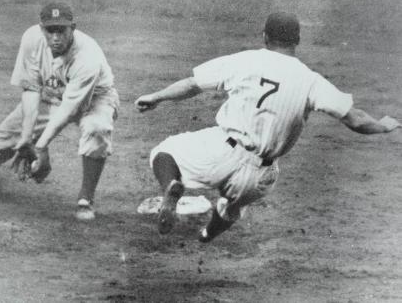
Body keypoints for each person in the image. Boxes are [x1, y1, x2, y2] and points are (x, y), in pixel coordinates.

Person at [135, 12, 400, 242]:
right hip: (260, 177)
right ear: (297, 40)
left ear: (265, 36)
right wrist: (383, 126)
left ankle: (172, 185)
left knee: (164, 151)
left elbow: (193, 84)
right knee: (232, 207)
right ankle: (207, 236)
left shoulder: (245, 60)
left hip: (222, 151)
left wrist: (157, 97)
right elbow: (355, 119)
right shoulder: (310, 80)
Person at [0, 2, 119, 221]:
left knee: (97, 128)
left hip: (95, 98)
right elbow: (31, 90)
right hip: (52, 94)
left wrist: (41, 147)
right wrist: (26, 138)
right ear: (41, 28)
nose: (56, 37)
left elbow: (68, 110)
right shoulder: (32, 39)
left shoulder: (87, 56)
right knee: (5, 136)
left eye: (61, 30)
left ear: (73, 28)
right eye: (50, 30)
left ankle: (85, 200)